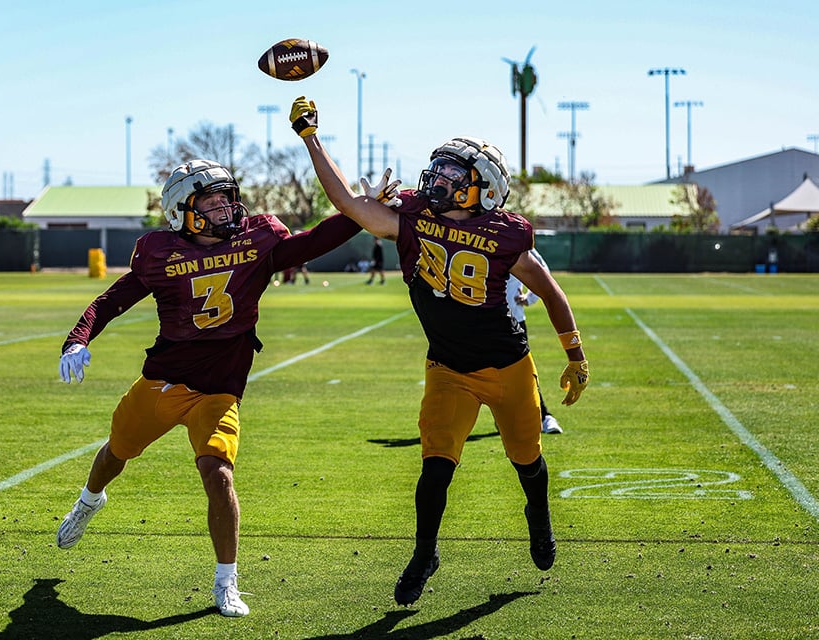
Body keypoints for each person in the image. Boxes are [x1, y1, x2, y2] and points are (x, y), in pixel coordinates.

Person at [289, 97, 589, 606]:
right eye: (441, 166)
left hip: (509, 367)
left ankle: (538, 520)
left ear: (483, 189)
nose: (440, 176)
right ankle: (424, 554)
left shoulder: (504, 232)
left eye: (454, 171)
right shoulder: (413, 213)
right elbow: (349, 205)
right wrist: (311, 138)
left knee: (526, 460)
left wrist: (575, 353)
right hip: (448, 368)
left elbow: (550, 290)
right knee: (434, 468)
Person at [56, 159, 362, 618]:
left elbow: (313, 241)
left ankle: (226, 581)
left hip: (219, 388)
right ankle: (89, 501)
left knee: (218, 473)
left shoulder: (257, 240)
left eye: (226, 197)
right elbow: (111, 300)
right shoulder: (159, 253)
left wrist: (360, 210)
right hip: (163, 381)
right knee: (116, 451)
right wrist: (76, 340)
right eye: (211, 201)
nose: (224, 207)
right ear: (183, 211)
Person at [507, 249, 562, 434]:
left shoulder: (513, 233)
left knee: (523, 372)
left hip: (512, 319)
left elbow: (542, 271)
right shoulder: (468, 231)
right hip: (476, 321)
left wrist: (529, 298)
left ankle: (544, 416)